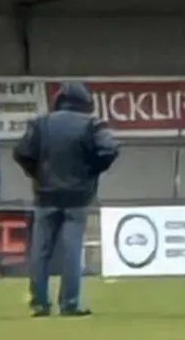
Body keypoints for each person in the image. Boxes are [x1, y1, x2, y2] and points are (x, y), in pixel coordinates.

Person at [14, 81, 118, 317]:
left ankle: (40, 303)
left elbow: (22, 153)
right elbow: (109, 150)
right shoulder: (92, 124)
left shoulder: (40, 124)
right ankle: (70, 303)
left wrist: (38, 174)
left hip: (45, 194)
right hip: (78, 195)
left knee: (40, 251)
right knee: (72, 250)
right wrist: (90, 171)